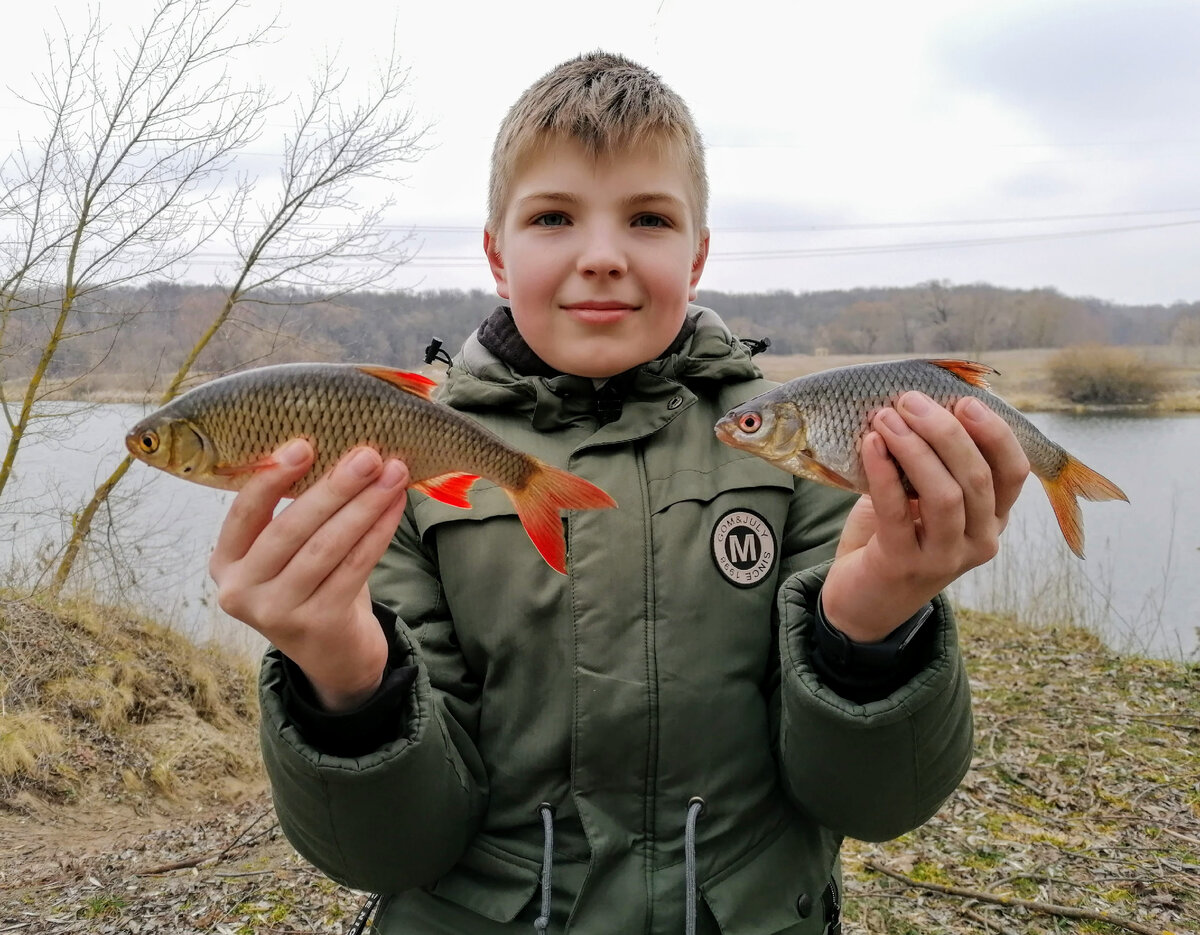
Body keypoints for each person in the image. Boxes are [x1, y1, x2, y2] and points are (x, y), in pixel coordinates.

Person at [208, 51, 1030, 935]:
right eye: (554, 216)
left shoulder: (806, 459)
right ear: (495, 253)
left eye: (647, 218)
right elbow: (391, 853)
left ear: (698, 253)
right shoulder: (397, 467)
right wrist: (341, 675)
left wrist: (873, 634)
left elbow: (874, 803)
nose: (601, 257)